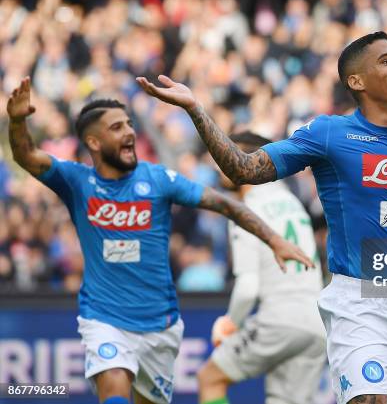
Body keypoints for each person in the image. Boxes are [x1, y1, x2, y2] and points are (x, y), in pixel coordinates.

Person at [137, 31, 387, 404]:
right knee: (370, 399)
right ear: (357, 81)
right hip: (360, 303)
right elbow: (244, 169)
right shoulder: (330, 134)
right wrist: (196, 110)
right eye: (386, 61)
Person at [6, 77, 312, 404]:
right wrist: (17, 121)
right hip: (104, 318)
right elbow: (27, 156)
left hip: (159, 325)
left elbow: (226, 203)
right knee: (113, 384)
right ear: (94, 142)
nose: (129, 132)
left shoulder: (158, 179)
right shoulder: (77, 181)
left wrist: (273, 239)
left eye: (128, 124)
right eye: (116, 127)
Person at [196, 131, 326, 404]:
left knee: (210, 378)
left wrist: (230, 323)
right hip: (317, 322)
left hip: (279, 318)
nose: (220, 164)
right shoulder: (292, 202)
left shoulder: (249, 209)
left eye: (225, 156)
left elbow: (247, 288)